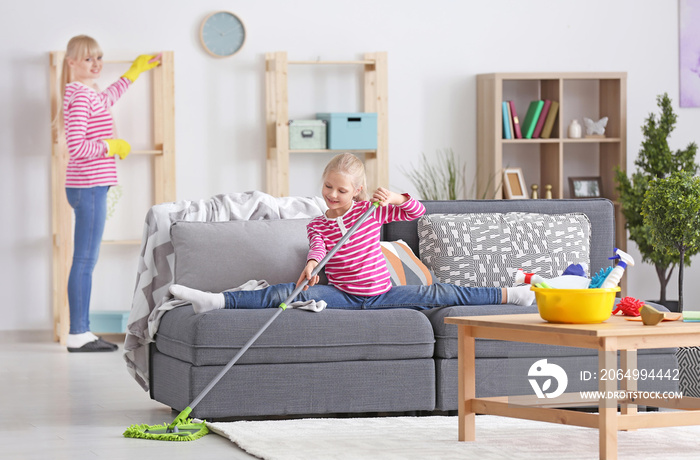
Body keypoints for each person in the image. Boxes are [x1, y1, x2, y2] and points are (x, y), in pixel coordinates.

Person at [170, 153, 535, 313]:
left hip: (382, 295)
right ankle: (215, 301)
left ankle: (511, 295)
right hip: (343, 295)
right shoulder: (319, 222)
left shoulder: (371, 211)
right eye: (328, 186)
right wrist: (312, 266)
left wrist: (396, 196)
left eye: (341, 190)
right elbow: (317, 246)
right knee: (285, 291)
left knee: (444, 293)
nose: (332, 194)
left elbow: (418, 212)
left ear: (357, 192)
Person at [57, 35, 160, 352]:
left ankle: (82, 331)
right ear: (72, 62)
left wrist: (133, 73)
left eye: (98, 57)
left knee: (86, 259)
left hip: (90, 185)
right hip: (87, 185)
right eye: (88, 59)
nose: (96, 63)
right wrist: (111, 146)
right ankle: (77, 333)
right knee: (85, 261)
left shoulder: (90, 92)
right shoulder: (78, 95)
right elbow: (75, 147)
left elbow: (107, 99)